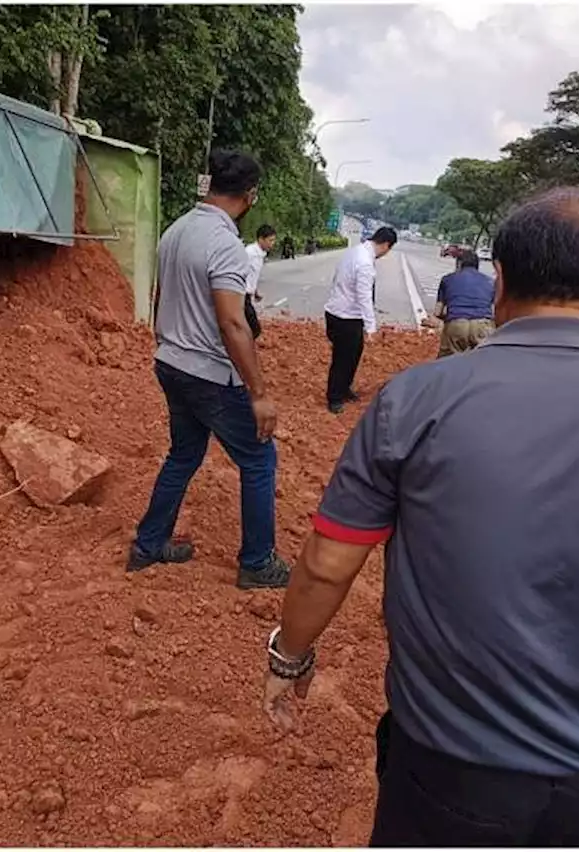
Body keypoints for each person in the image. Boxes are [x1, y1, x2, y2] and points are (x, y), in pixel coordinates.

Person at [261, 187, 579, 846]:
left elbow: (329, 566)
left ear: (499, 282)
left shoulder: (417, 400)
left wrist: (290, 658)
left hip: (452, 770)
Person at [129, 149, 290, 589]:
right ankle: (257, 563)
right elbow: (233, 322)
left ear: (209, 184)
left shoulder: (175, 231)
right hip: (207, 374)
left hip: (171, 362)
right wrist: (258, 394)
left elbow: (162, 298)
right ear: (250, 195)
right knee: (259, 458)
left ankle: (149, 545)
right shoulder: (226, 246)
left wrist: (167, 344)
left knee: (184, 454)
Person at [322, 226, 398, 414]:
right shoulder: (364, 262)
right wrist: (371, 327)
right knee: (343, 358)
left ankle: (344, 388)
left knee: (354, 353)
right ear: (387, 245)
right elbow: (364, 296)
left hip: (338, 312)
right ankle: (334, 397)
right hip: (346, 317)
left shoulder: (355, 252)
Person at [422, 248, 495, 356]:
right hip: (483, 326)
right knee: (480, 364)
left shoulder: (447, 279)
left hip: (456, 325)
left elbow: (438, 312)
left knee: (447, 362)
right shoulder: (490, 282)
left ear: (459, 264)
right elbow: (493, 312)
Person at [244, 224, 276, 339]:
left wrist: (255, 291)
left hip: (248, 295)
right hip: (241, 295)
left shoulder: (261, 254)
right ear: (261, 239)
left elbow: (253, 275)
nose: (272, 244)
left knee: (246, 327)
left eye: (273, 240)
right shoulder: (249, 253)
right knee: (254, 328)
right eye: (270, 240)